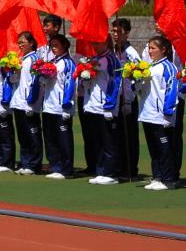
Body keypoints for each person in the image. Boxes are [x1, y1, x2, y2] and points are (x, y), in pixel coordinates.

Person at [139, 35, 180, 191]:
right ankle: (157, 176)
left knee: (164, 148)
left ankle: (168, 179)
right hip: (147, 114)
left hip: (161, 116)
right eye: (149, 48)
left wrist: (168, 112)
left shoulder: (169, 67)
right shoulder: (149, 67)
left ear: (163, 49)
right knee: (153, 149)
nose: (150, 51)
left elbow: (172, 89)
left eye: (153, 48)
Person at [86, 36, 124, 185]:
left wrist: (109, 105)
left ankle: (111, 173)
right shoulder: (93, 59)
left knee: (109, 141)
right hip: (93, 106)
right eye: (93, 42)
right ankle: (101, 170)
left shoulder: (112, 59)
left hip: (105, 107)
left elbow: (115, 82)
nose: (95, 45)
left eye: (98, 42)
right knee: (98, 141)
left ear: (106, 42)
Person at [40, 34, 78, 179]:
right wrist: (42, 76)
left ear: (64, 46)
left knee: (64, 140)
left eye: (56, 45)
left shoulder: (68, 63)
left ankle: (66, 169)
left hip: (61, 108)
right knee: (50, 139)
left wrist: (67, 105)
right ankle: (55, 166)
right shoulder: (52, 62)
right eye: (52, 46)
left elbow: (70, 84)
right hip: (48, 106)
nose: (53, 49)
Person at [110, 18, 141, 180]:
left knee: (129, 135)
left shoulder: (131, 53)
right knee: (116, 134)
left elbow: (136, 76)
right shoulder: (113, 51)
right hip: (115, 98)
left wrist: (128, 99)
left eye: (119, 31)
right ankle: (118, 166)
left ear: (127, 33)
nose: (115, 34)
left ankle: (130, 170)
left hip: (127, 98)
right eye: (114, 31)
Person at [10, 32, 45, 175]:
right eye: (19, 42)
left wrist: (32, 102)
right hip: (18, 102)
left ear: (31, 43)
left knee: (33, 134)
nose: (20, 45)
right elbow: (16, 80)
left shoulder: (35, 59)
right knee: (23, 135)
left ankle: (34, 165)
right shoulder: (20, 59)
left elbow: (36, 82)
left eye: (23, 42)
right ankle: (25, 162)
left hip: (29, 103)